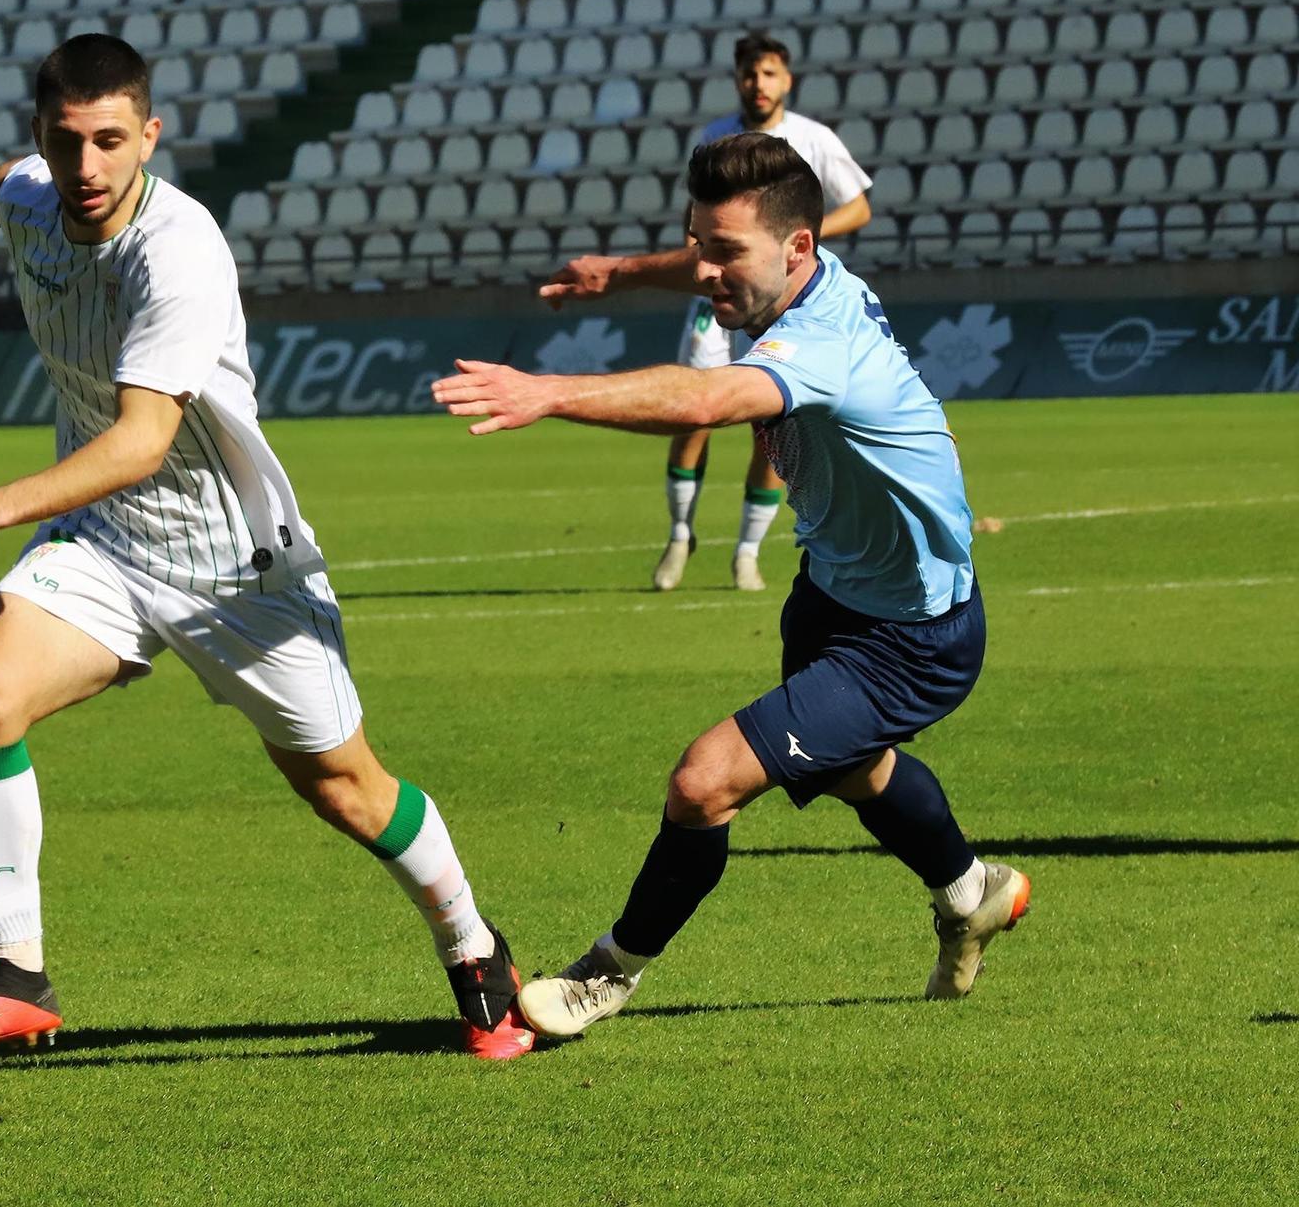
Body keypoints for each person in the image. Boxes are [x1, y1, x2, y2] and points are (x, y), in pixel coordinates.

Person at [0, 34, 534, 1061]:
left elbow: (139, 441)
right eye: (64, 142)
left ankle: (473, 947)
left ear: (149, 134)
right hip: (103, 543)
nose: (84, 167)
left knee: (343, 786)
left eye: (107, 141)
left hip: (235, 567)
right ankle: (17, 972)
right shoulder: (35, 189)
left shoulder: (178, 249)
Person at [433, 133, 1028, 1039]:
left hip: (912, 635)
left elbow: (708, 402)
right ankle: (971, 889)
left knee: (702, 781)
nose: (708, 269)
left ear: (797, 249)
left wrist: (549, 391)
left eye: (725, 253)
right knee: (855, 768)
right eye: (697, 245)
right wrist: (624, 272)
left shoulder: (822, 343)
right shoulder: (803, 271)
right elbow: (717, 254)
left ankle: (607, 972)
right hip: (834, 593)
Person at [543, 32, 876, 593]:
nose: (759, 84)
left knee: (771, 424)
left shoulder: (814, 141)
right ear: (737, 79)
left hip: (781, 302)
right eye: (750, 73)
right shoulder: (716, 137)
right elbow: (693, 223)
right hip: (718, 293)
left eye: (769, 73)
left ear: (786, 80)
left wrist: (792, 239)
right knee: (693, 416)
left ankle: (747, 552)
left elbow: (859, 207)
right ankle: (679, 534)